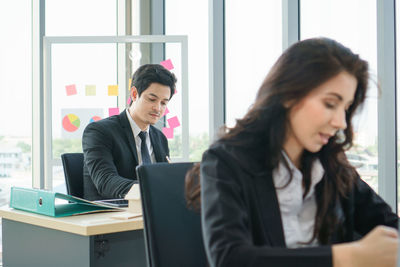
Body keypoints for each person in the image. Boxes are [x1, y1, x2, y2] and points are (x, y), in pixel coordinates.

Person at [185, 38, 399, 267]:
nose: (341, 122)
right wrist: (346, 257)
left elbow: (388, 225)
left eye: (346, 109)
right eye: (329, 104)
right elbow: (230, 258)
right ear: (288, 95)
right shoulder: (225, 162)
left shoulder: (332, 164)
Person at [83, 64, 177, 200]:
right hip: (108, 215)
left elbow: (163, 180)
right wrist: (152, 189)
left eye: (163, 103)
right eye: (152, 99)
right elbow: (106, 182)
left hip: (149, 215)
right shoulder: (99, 131)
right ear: (134, 94)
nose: (157, 108)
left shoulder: (159, 138)